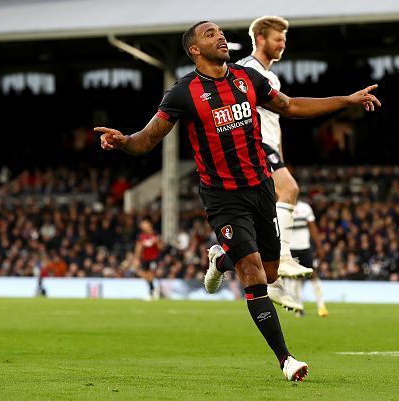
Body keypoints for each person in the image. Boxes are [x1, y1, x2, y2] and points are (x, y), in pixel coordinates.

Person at [96, 20, 380, 381]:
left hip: (261, 188)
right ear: (195, 50)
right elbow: (148, 139)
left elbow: (290, 106)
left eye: (220, 32)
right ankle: (286, 360)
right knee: (254, 274)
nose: (220, 37)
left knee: (271, 271)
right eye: (209, 34)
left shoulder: (248, 80)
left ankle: (221, 259)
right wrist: (124, 141)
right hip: (223, 197)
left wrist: (346, 100)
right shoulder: (183, 93)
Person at [234, 16, 311, 312]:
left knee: (261, 221)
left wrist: (280, 155)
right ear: (261, 39)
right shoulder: (246, 71)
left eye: (284, 40)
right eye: (278, 39)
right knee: (290, 190)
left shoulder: (272, 77)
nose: (282, 45)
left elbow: (275, 122)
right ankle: (286, 254)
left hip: (268, 147)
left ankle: (227, 259)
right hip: (253, 145)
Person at [284, 199, 329, 317]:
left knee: (313, 275)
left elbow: (313, 228)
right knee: (295, 278)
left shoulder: (305, 208)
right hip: (291, 249)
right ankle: (298, 307)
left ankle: (321, 306)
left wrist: (319, 246)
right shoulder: (283, 208)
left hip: (305, 248)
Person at [133, 219, 162, 300]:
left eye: (144, 224)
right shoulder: (141, 236)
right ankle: (153, 289)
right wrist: (136, 258)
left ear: (149, 225)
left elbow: (161, 247)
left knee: (150, 274)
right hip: (145, 259)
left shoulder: (155, 235)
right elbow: (138, 248)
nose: (142, 226)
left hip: (154, 258)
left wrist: (156, 241)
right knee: (145, 275)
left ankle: (151, 291)